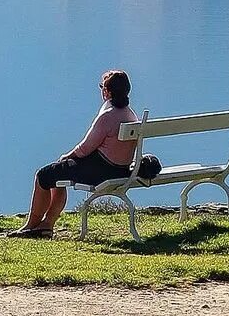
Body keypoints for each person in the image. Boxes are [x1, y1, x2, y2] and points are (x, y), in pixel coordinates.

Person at [13, 69, 139, 238]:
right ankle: (46, 225)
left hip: (100, 172)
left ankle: (33, 225)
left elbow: (85, 148)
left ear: (106, 91)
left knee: (43, 176)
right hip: (121, 170)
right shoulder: (131, 115)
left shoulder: (107, 116)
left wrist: (67, 156)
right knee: (58, 175)